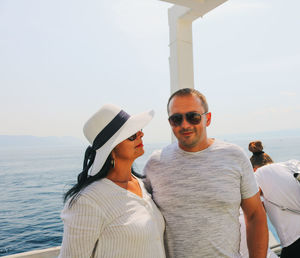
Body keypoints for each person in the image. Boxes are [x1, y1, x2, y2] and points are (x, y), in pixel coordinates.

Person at [144, 88, 268, 258]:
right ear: (170, 123)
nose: (185, 124)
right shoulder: (155, 163)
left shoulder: (234, 156)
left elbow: (255, 215)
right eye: (176, 119)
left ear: (207, 118)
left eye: (193, 117)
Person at [59, 104, 165, 258]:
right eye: (131, 134)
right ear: (112, 149)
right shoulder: (88, 201)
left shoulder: (141, 184)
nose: (140, 135)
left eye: (139, 130)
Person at [249, 141, 300, 258]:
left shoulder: (258, 174)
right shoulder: (291, 164)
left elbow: (250, 207)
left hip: (294, 242)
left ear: (254, 169)